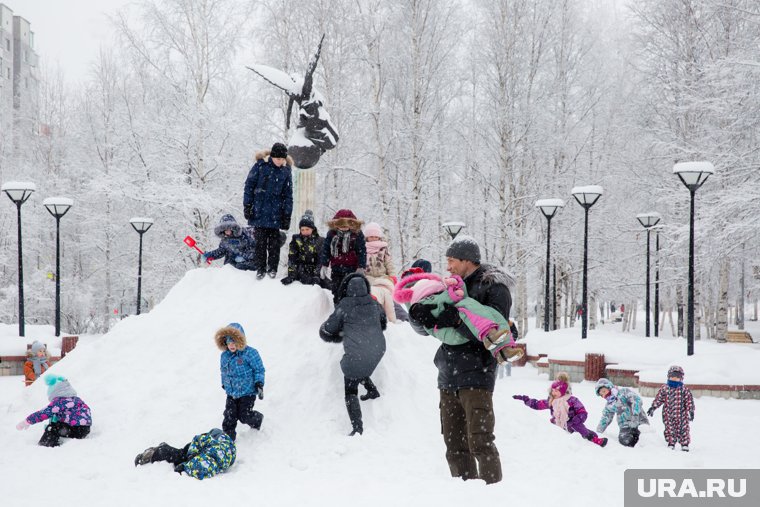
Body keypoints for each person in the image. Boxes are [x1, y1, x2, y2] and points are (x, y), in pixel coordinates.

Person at [407, 235, 513, 484]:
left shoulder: (494, 288)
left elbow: (496, 333)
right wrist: (418, 315)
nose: (448, 266)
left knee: (481, 442)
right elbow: (430, 328)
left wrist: (455, 319)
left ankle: (492, 496)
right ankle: (464, 494)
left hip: (477, 375)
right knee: (454, 445)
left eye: (452, 260)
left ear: (467, 260)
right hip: (448, 374)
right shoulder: (451, 287)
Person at [394, 271, 523, 364]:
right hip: (451, 336)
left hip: (460, 358)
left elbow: (458, 295)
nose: (449, 267)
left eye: (451, 260)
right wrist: (454, 286)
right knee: (467, 306)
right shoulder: (426, 303)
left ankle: (505, 350)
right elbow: (456, 297)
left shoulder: (437, 297)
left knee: (493, 314)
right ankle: (489, 335)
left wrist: (455, 283)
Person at [320, 273, 387, 436]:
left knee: (350, 389)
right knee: (362, 362)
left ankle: (357, 428)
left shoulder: (345, 305)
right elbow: (383, 323)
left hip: (359, 354)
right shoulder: (374, 302)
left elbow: (328, 329)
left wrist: (334, 332)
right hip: (378, 349)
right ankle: (372, 391)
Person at [513, 372, 608, 447]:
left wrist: (577, 419)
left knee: (581, 430)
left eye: (556, 391)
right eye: (553, 390)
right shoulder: (551, 401)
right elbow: (537, 405)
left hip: (573, 423)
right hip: (557, 424)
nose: (553, 393)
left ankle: (596, 440)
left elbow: (582, 412)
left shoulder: (572, 400)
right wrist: (525, 399)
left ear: (562, 391)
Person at [243, 142, 294, 279]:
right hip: (259, 211)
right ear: (272, 156)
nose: (280, 161)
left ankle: (272, 269)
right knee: (260, 243)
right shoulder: (260, 166)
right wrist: (247, 206)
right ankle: (260, 269)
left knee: (274, 244)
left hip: (276, 214)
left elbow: (288, 195)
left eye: (283, 159)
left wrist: (287, 215)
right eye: (278, 159)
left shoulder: (286, 171)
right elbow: (249, 186)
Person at [215, 323, 265, 440]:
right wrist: (224, 384)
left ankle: (257, 419)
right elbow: (223, 371)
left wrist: (259, 384)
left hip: (248, 392)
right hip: (232, 392)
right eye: (228, 343)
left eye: (234, 342)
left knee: (244, 416)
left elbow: (259, 370)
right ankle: (228, 439)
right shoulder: (224, 356)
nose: (231, 346)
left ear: (240, 340)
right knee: (229, 416)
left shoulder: (250, 353)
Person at [16, 375, 92, 447]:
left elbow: (43, 413)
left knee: (52, 428)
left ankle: (45, 445)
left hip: (75, 430)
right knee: (57, 420)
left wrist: (27, 421)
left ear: (54, 391)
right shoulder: (77, 400)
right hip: (85, 429)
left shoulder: (59, 402)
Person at [134, 428, 236, 479]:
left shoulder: (218, 456)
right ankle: (155, 452)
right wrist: (191, 455)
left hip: (206, 450)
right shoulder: (211, 441)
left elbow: (203, 467)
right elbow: (197, 441)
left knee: (180, 456)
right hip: (198, 448)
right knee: (179, 456)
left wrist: (185, 466)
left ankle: (164, 448)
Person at [319, 209, 366, 303]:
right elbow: (326, 250)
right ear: (336, 225)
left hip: (352, 268)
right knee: (337, 289)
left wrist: (361, 266)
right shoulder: (332, 234)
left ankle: (350, 308)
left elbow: (362, 250)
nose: (344, 228)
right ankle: (338, 307)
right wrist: (324, 264)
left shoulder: (357, 234)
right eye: (341, 226)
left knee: (351, 289)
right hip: (336, 268)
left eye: (346, 226)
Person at [646, 365, 695, 451]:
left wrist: (691, 410)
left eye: (677, 377)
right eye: (672, 376)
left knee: (684, 429)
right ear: (668, 377)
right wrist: (653, 407)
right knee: (669, 428)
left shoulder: (684, 389)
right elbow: (659, 399)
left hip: (682, 414)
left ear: (681, 378)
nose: (674, 378)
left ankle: (684, 443)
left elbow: (689, 400)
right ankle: (671, 442)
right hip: (668, 414)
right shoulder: (665, 388)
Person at [595, 378, 649, 447]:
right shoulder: (609, 405)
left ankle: (642, 441)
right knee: (625, 441)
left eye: (604, 391)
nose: (604, 395)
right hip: (625, 426)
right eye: (601, 394)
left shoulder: (624, 392)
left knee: (645, 439)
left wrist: (635, 415)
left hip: (639, 421)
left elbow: (636, 400)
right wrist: (598, 432)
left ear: (609, 387)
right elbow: (605, 418)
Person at [363, 222, 397, 323]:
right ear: (367, 237)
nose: (373, 238)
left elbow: (389, 263)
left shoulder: (383, 248)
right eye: (371, 236)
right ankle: (374, 316)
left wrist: (393, 276)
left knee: (388, 296)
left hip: (382, 278)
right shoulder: (362, 248)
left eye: (375, 236)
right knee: (372, 293)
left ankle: (393, 319)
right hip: (368, 278)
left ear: (379, 237)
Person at [281, 210, 323, 286]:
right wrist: (291, 275)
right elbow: (292, 257)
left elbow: (320, 260)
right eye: (302, 229)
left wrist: (316, 275)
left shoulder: (320, 241)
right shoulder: (296, 239)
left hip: (315, 272)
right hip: (300, 271)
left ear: (312, 229)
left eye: (307, 229)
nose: (305, 232)